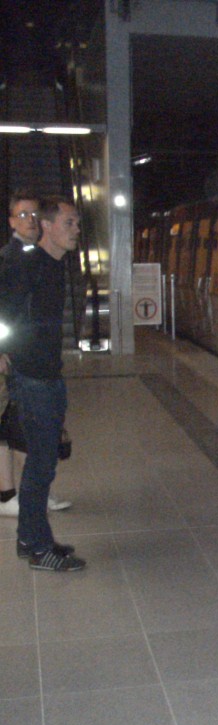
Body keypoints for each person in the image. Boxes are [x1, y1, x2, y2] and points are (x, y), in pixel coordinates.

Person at [0, 195, 84, 570]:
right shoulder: (26, 265)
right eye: (69, 223)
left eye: (77, 223)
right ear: (47, 226)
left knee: (42, 462)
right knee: (40, 464)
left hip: (48, 375)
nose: (76, 230)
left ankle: (31, 539)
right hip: (32, 377)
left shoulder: (54, 266)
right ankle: (36, 546)